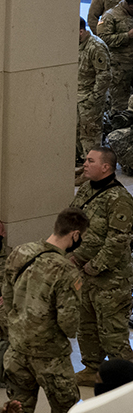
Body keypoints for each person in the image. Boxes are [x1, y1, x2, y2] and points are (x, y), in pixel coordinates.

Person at [1, 208, 86, 413]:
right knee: (65, 410)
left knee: (18, 406)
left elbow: (6, 296)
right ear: (76, 235)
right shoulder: (66, 270)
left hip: (17, 349)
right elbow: (68, 323)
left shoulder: (20, 252)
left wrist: (20, 323)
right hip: (51, 357)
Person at [68, 147, 133, 386]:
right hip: (83, 273)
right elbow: (71, 220)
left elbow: (118, 240)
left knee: (112, 330)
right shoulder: (85, 190)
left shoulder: (120, 199)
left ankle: (125, 375)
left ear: (106, 167)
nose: (84, 164)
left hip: (111, 278)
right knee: (86, 325)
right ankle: (91, 368)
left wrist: (93, 266)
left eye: (90, 160)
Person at [78, 18, 111, 161]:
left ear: (81, 31)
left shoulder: (96, 46)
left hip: (90, 99)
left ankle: (93, 167)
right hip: (77, 97)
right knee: (77, 133)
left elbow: (104, 76)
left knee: (90, 135)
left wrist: (94, 98)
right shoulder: (75, 44)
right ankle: (82, 164)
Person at [96, 0, 133, 112]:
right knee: (120, 106)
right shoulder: (110, 16)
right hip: (120, 67)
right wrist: (127, 36)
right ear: (128, 4)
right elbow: (102, 39)